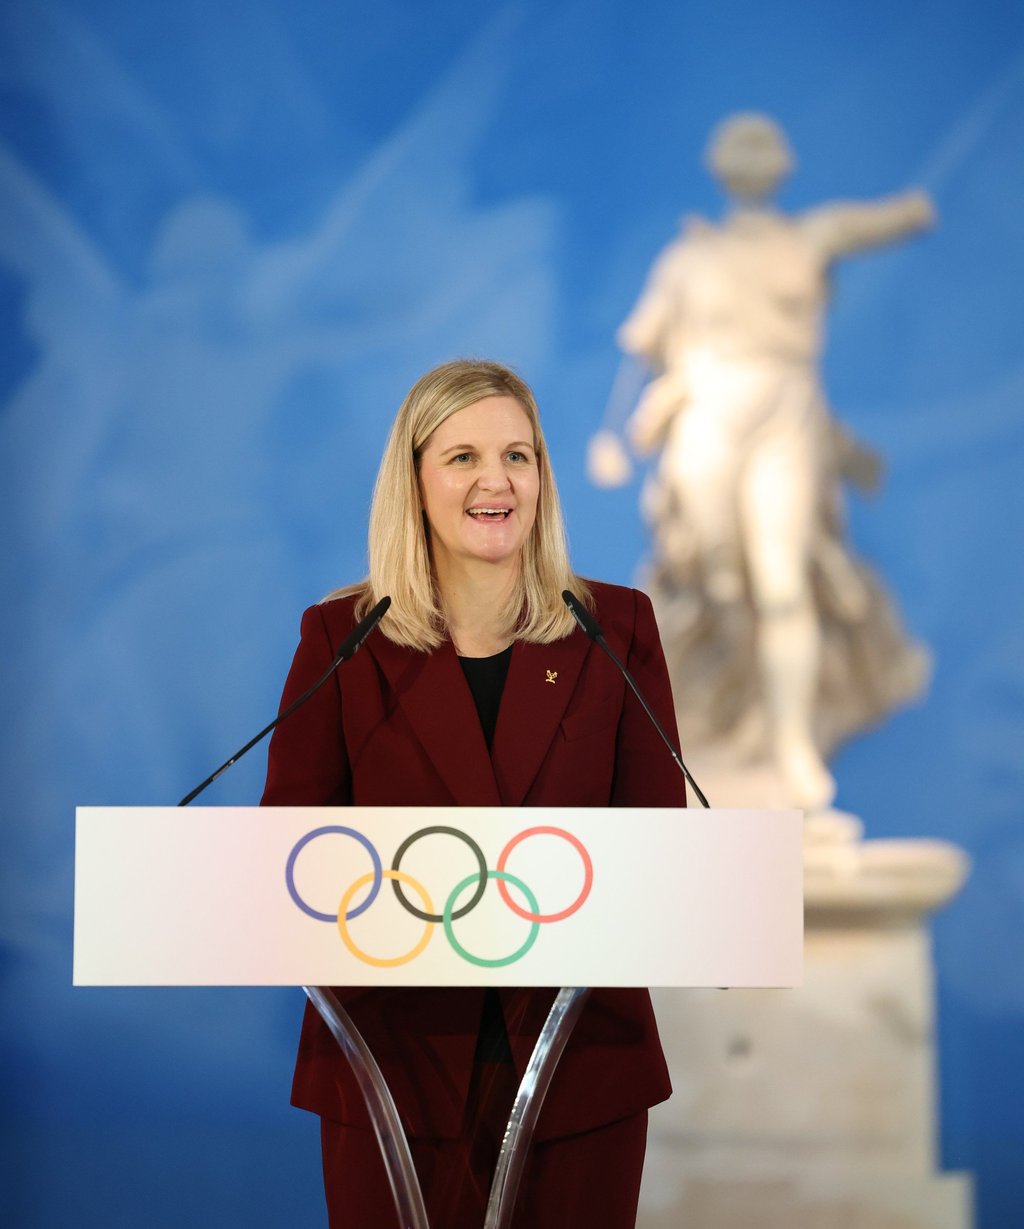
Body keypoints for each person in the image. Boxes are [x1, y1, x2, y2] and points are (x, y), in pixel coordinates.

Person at [262, 358, 687, 1228]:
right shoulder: (342, 640)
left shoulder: (618, 630)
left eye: (518, 456)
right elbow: (284, 863)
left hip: (577, 1072)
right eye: (462, 457)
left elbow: (664, 854)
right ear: (413, 480)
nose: (496, 480)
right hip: (393, 1071)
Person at [589, 113, 931, 812]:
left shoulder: (810, 238)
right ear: (722, 168)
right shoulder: (688, 259)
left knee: (781, 578)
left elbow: (882, 221)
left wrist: (919, 208)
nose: (753, 161)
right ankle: (740, 706)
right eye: (740, 152)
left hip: (784, 412)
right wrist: (612, 432)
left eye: (764, 150)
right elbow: (637, 351)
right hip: (708, 410)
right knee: (716, 575)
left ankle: (790, 744)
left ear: (783, 166)